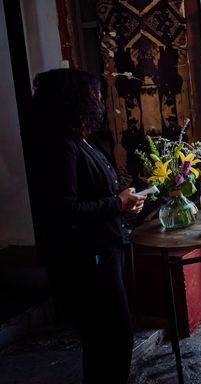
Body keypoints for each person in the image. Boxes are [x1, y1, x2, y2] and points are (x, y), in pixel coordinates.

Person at [29, 68, 146, 384]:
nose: (99, 100)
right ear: (73, 100)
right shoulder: (59, 146)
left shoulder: (81, 140)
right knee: (110, 337)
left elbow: (97, 193)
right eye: (93, 94)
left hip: (106, 249)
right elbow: (63, 210)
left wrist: (126, 201)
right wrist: (117, 203)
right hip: (89, 259)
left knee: (110, 338)